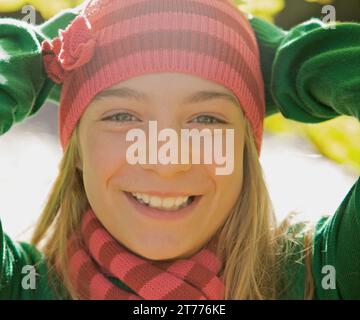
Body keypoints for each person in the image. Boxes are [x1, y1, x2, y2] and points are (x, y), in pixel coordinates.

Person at [0, 0, 359, 300]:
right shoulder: (21, 286)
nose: (166, 162)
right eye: (123, 116)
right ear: (77, 151)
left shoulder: (324, 278)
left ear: (244, 149)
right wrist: (43, 54)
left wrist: (289, 62)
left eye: (205, 120)